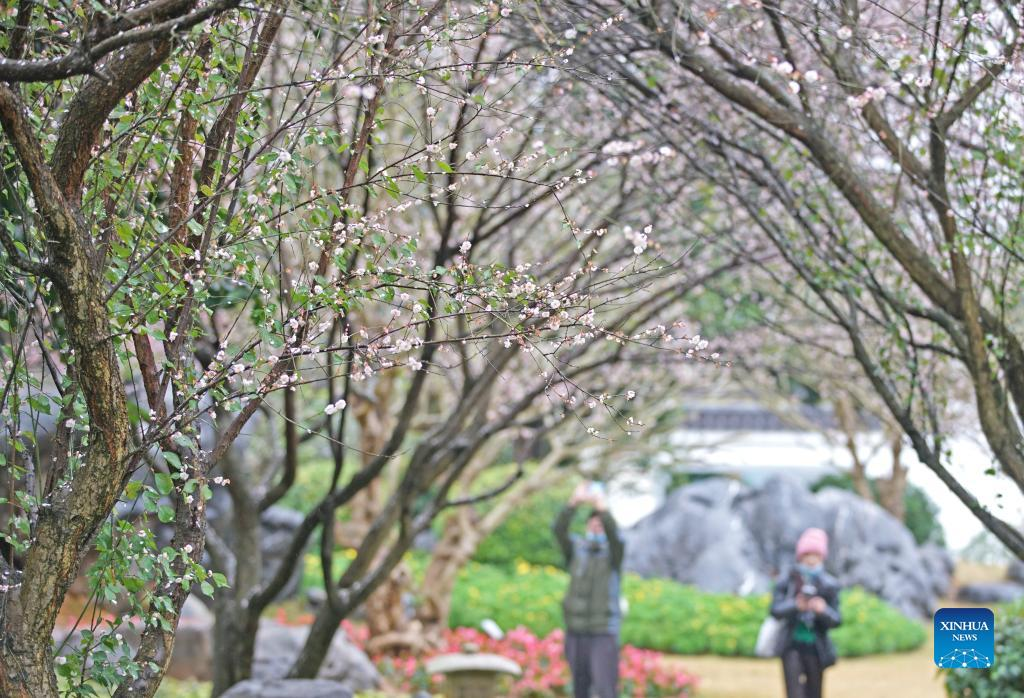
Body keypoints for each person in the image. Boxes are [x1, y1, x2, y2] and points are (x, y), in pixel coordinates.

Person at [552, 482, 625, 698]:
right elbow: (558, 530)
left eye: (600, 524)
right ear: (586, 526)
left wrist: (602, 507)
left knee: (605, 688)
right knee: (579, 688)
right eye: (592, 523)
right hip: (576, 630)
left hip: (603, 631)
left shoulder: (613, 554)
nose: (596, 526)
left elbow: (616, 537)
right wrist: (573, 503)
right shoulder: (577, 550)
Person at [770, 527, 842, 698]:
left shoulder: (829, 584)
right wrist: (796, 605)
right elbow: (775, 610)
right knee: (794, 693)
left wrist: (822, 610)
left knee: (814, 693)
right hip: (791, 644)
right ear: (800, 556)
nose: (811, 560)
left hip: (816, 647)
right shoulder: (788, 580)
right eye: (807, 554)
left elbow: (837, 619)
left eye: (815, 555)